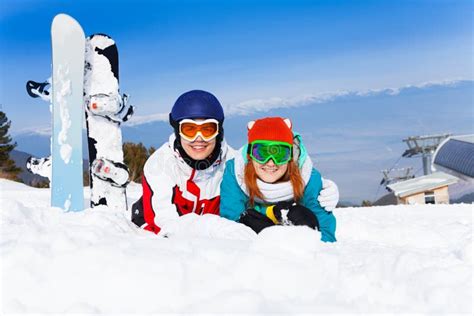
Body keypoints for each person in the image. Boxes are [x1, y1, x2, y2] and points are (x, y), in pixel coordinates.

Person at [131, 90, 339, 236]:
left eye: (208, 129)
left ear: (219, 130)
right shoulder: (160, 165)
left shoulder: (233, 165)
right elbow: (164, 225)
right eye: (189, 129)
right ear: (177, 131)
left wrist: (318, 186)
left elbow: (268, 187)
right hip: (164, 241)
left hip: (214, 243)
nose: (199, 139)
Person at [219, 117, 336, 242]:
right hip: (253, 250)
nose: (270, 163)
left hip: (298, 249)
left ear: (290, 156)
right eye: (261, 153)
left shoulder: (307, 177)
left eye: (279, 154)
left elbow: (325, 230)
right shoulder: (236, 172)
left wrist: (314, 243)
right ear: (250, 155)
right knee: (247, 219)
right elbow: (230, 224)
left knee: (301, 215)